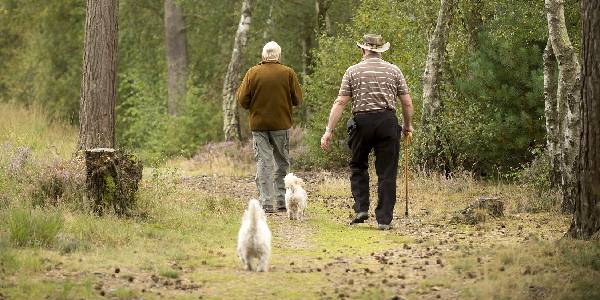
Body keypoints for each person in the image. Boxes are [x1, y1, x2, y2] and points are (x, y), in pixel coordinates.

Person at [320, 34, 414, 230]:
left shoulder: (352, 71)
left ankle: (362, 207)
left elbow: (340, 102)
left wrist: (328, 131)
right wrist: (407, 126)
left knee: (358, 165)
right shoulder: (394, 71)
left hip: (361, 122)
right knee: (387, 172)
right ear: (380, 51)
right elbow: (406, 102)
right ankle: (384, 220)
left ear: (363, 49)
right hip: (388, 121)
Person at [237, 41, 303, 213]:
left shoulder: (252, 72)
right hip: (281, 124)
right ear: (278, 56)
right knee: (282, 162)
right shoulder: (288, 73)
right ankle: (282, 201)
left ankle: (266, 202)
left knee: (264, 163)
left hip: (259, 126)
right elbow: (297, 99)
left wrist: (255, 106)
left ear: (263, 55)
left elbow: (242, 100)